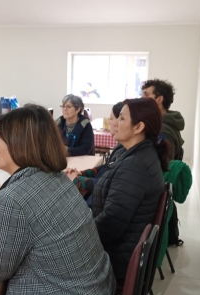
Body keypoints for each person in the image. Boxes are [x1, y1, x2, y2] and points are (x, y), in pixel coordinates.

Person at [0, 105, 116, 295]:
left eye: (0, 139)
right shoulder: (56, 177)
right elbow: (33, 216)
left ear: (18, 145)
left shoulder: (13, 201)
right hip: (97, 289)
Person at [91, 97, 170, 284]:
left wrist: (76, 238)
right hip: (119, 249)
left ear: (138, 127)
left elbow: (111, 223)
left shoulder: (135, 166)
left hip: (115, 259)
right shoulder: (137, 154)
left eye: (122, 118)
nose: (114, 122)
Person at [65, 102, 125, 206]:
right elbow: (106, 168)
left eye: (68, 107)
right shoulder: (60, 122)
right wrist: (81, 174)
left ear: (77, 109)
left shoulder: (84, 124)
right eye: (63, 106)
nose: (64, 109)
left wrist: (77, 179)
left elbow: (105, 186)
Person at [141, 79, 185, 160]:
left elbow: (165, 167)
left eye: (146, 95)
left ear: (159, 99)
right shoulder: (160, 124)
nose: (141, 98)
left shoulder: (163, 131)